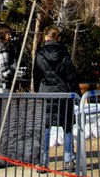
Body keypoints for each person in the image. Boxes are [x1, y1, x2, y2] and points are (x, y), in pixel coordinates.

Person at [33, 26, 79, 169]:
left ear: (46, 37)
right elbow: (71, 75)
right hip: (63, 93)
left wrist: (37, 90)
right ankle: (68, 159)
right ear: (57, 37)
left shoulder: (39, 54)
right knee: (67, 127)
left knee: (46, 127)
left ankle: (43, 160)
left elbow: (36, 75)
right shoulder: (64, 54)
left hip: (46, 93)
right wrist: (77, 92)